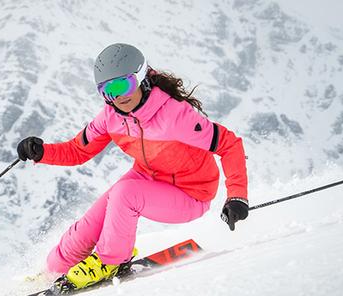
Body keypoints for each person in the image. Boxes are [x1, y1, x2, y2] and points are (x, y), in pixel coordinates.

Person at [16, 43, 249, 291]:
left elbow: (228, 144)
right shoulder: (110, 117)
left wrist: (237, 196)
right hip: (148, 178)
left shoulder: (174, 115)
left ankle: (111, 261)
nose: (118, 97)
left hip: (191, 193)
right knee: (88, 226)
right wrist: (42, 152)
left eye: (123, 85)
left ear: (141, 78)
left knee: (125, 194)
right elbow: (78, 149)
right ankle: (53, 271)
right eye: (108, 91)